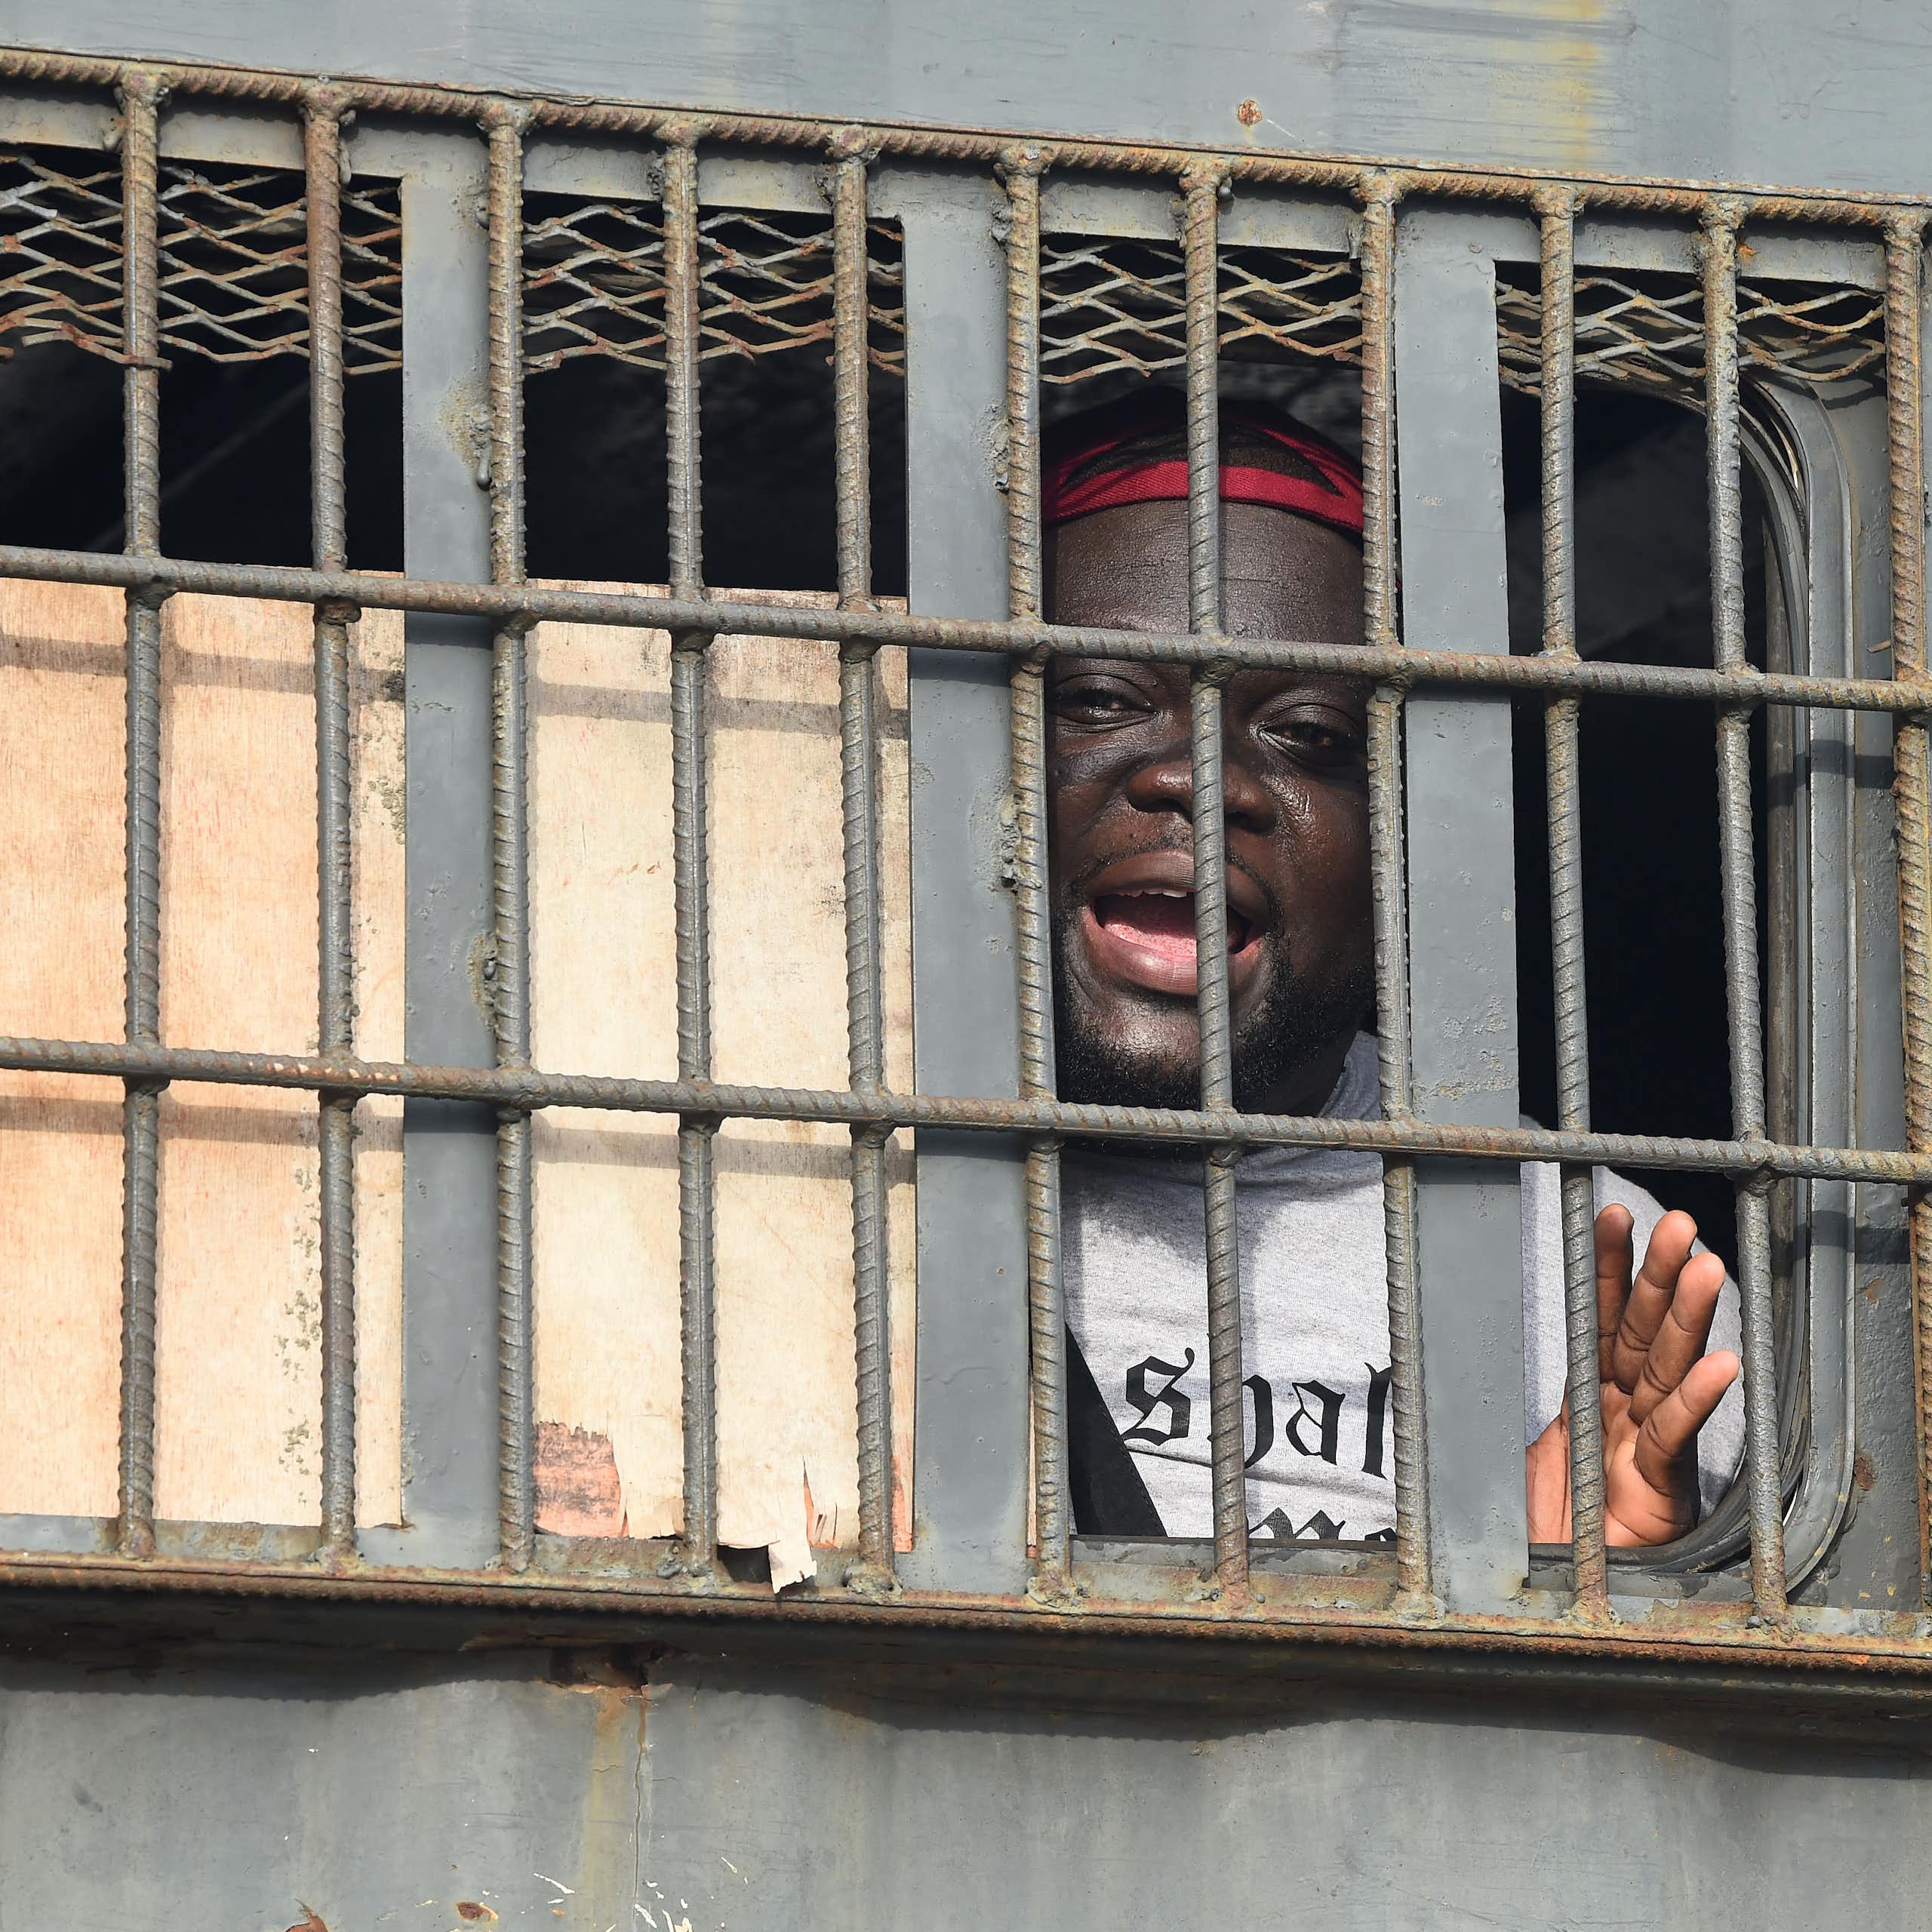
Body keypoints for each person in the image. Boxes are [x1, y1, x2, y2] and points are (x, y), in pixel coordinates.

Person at [1045, 388, 1745, 1547]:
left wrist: (1579, 1588)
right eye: (1102, 700)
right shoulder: (822, 1190)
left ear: (1402, 838)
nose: (1201, 780)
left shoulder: (1580, 1262)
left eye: (1308, 734)